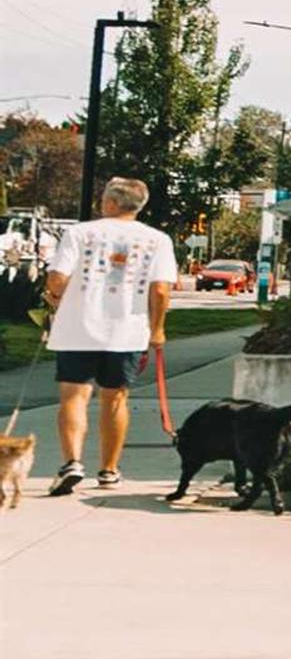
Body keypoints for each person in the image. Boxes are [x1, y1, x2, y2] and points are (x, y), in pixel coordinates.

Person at [43, 177, 179, 497]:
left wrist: (56, 297)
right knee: (115, 398)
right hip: (126, 331)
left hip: (77, 328)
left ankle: (72, 462)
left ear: (110, 203)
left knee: (74, 397)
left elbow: (57, 278)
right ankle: (109, 469)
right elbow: (161, 289)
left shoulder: (79, 233)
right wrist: (157, 329)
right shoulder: (157, 240)